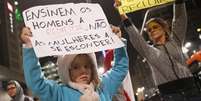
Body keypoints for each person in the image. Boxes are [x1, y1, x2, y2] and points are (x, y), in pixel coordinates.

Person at [114, 0, 201, 100]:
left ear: (164, 28)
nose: (152, 30)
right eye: (149, 30)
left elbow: (179, 19)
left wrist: (179, 2)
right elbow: (136, 37)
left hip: (191, 89)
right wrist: (122, 13)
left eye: (155, 27)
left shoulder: (176, 40)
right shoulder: (148, 51)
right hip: (171, 95)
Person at [20, 25, 128, 101]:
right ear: (67, 71)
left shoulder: (103, 87)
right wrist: (30, 46)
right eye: (76, 67)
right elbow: (36, 83)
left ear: (93, 68)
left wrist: (118, 43)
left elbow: (120, 69)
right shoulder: (60, 93)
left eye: (87, 66)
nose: (83, 71)